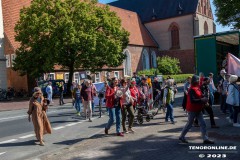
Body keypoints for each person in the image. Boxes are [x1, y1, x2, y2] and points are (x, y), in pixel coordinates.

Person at [179, 75, 214, 144]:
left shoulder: (197, 87)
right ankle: (182, 136)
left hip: (198, 109)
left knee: (203, 123)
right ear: (195, 81)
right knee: (189, 124)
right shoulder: (191, 89)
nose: (199, 81)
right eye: (198, 80)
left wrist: (205, 100)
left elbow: (201, 95)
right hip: (192, 109)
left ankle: (205, 138)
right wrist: (202, 100)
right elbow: (192, 100)